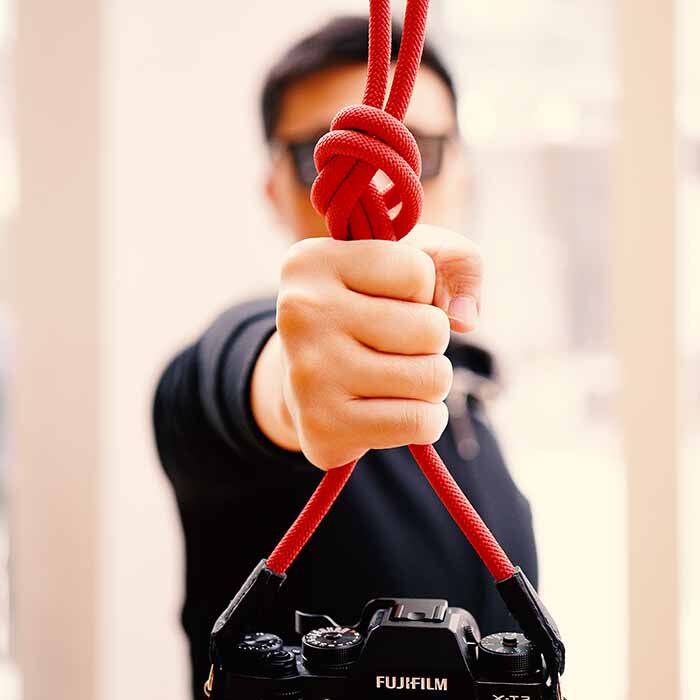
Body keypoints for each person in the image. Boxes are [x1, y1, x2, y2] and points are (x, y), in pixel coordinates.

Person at [153, 16, 537, 698]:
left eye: (418, 151)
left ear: (465, 174)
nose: (378, 188)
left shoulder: (469, 396)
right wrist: (287, 388)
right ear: (275, 188)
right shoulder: (249, 366)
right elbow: (229, 383)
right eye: (326, 157)